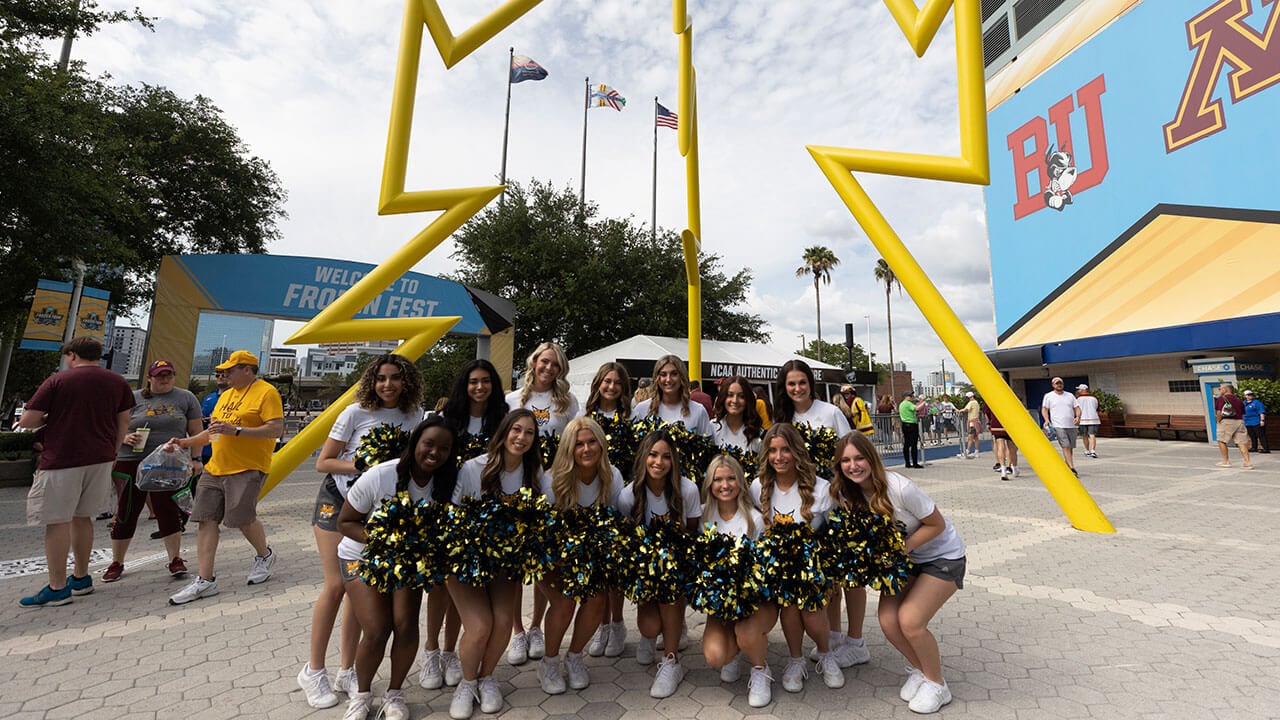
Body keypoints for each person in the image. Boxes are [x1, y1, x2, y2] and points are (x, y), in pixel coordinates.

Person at [298, 355, 425, 709]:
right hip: (337, 501)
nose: (388, 385)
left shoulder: (414, 415)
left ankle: (347, 669)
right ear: (372, 381)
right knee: (336, 585)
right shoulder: (354, 413)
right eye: (381, 378)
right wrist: (364, 463)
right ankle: (313, 670)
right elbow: (324, 461)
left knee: (361, 587)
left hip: (375, 509)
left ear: (406, 381)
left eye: (395, 378)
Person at [830, 432, 966, 714]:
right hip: (906, 562)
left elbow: (936, 524)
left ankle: (938, 684)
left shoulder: (899, 487)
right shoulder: (847, 493)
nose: (853, 465)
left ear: (871, 458)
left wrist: (901, 549)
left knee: (910, 621)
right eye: (845, 460)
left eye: (859, 458)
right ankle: (920, 670)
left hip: (943, 557)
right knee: (889, 621)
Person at [337, 417, 459, 720]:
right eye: (429, 444)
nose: (434, 453)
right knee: (377, 629)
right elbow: (346, 522)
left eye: (444, 449)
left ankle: (394, 694)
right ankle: (362, 695)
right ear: (415, 442)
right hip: (361, 556)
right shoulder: (381, 475)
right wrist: (384, 543)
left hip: (407, 562)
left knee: (405, 624)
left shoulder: (445, 484)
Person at [17, 336, 134, 607]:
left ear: (71, 355)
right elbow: (124, 420)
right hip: (101, 459)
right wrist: (113, 450)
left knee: (57, 521)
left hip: (62, 459)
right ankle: (81, 578)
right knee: (84, 518)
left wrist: (51, 416)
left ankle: (57, 587)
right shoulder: (118, 382)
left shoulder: (58, 381)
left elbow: (27, 420)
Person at [448, 409, 545, 718]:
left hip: (505, 563)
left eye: (529, 433)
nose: (521, 437)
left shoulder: (534, 473)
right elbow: (451, 516)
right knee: (479, 626)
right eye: (516, 430)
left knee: (503, 622)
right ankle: (467, 681)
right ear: (504, 432)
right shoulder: (472, 468)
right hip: (465, 561)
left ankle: (487, 677)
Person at [167, 350, 283, 605]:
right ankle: (205, 580)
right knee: (206, 520)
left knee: (242, 519)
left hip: (247, 468)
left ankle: (264, 555)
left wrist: (238, 430)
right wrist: (185, 442)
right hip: (216, 467)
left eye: (230, 370)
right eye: (223, 371)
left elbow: (276, 428)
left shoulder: (266, 392)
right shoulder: (226, 396)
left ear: (247, 370)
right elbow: (215, 432)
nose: (225, 375)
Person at [750, 424, 846, 693]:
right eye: (772, 451)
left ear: (797, 452)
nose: (779, 457)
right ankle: (795, 660)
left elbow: (834, 531)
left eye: (785, 450)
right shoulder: (757, 486)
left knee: (814, 619)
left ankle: (825, 654)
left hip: (811, 570)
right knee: (790, 614)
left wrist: (830, 574)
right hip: (778, 570)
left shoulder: (822, 488)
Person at [504, 341, 580, 665]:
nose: (548, 369)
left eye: (555, 365)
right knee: (514, 562)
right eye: (544, 362)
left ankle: (537, 626)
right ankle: (516, 631)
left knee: (544, 559)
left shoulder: (568, 402)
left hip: (554, 489)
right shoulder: (511, 400)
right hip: (518, 487)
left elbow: (576, 439)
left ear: (561, 369)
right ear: (534, 363)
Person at [538, 417, 624, 695]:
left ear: (601, 444)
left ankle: (574, 657)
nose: (586, 449)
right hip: (552, 557)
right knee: (564, 603)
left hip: (591, 559)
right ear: (568, 449)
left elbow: (615, 525)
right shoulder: (552, 481)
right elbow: (542, 535)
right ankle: (549, 662)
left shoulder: (613, 476)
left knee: (597, 602)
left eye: (591, 442)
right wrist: (558, 560)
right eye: (579, 444)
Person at [617, 429, 702, 698]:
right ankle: (662, 630)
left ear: (673, 461)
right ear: (643, 457)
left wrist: (671, 561)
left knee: (670, 602)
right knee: (650, 627)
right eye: (653, 455)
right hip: (645, 570)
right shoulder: (628, 495)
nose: (658, 462)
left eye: (666, 457)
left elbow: (691, 531)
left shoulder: (687, 489)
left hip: (676, 566)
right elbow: (628, 536)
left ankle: (671, 660)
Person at [102, 360, 202, 584]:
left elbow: (196, 430)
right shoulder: (132, 398)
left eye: (168, 375)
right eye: (159, 376)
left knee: (168, 510)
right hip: (131, 460)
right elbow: (112, 426)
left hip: (168, 462)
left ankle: (175, 558)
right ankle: (117, 561)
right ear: (150, 378)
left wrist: (196, 459)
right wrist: (126, 438)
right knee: (127, 510)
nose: (164, 379)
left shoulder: (186, 398)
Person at [697, 455, 776, 707]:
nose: (725, 484)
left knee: (747, 631)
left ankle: (760, 668)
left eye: (731, 478)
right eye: (718, 479)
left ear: (741, 482)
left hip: (757, 602)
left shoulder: (755, 519)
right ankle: (737, 649)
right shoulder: (702, 517)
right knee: (715, 656)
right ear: (709, 483)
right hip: (722, 606)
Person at [582, 362, 632, 660]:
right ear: (598, 383)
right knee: (597, 568)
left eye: (616, 383)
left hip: (619, 496)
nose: (611, 387)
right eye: (606, 381)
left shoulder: (630, 417)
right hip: (591, 498)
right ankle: (601, 624)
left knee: (615, 570)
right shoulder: (586, 418)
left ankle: (617, 623)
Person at [631, 355, 714, 438]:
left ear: (682, 377)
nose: (668, 379)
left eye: (674, 374)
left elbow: (708, 446)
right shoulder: (641, 409)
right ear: (657, 378)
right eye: (663, 374)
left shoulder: (698, 410)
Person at [443, 358, 508, 453]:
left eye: (486, 381)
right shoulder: (447, 418)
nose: (480, 387)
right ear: (464, 385)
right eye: (473, 382)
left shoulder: (504, 420)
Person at [772, 360, 851, 436]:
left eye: (802, 383)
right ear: (784, 387)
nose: (798, 389)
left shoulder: (832, 412)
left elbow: (849, 446)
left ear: (810, 383)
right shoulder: (780, 417)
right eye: (791, 384)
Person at [713, 376, 765, 455]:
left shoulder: (757, 432)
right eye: (730, 395)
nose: (735, 400)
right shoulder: (711, 427)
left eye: (741, 396)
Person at [1040, 378, 1081, 476]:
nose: (1059, 385)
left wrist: (1078, 416)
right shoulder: (1049, 396)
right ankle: (1072, 468)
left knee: (1070, 447)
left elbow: (1077, 407)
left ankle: (1067, 466)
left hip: (1071, 425)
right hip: (1058, 425)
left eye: (1060, 383)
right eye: (1057, 383)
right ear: (1053, 385)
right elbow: (1044, 409)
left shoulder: (1070, 396)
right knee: (1065, 445)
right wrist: (1046, 420)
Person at [1215, 384, 1253, 469]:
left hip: (1227, 421)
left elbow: (1219, 412)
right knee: (1242, 442)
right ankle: (1247, 462)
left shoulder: (1222, 399)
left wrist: (1218, 421)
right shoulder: (1238, 400)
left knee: (1221, 440)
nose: (1220, 391)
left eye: (1220, 389)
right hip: (1240, 421)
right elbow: (1242, 412)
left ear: (1225, 390)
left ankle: (1226, 461)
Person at [201, 371, 231, 464]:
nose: (220, 377)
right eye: (217, 375)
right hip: (206, 446)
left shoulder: (235, 397)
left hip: (225, 446)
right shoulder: (209, 397)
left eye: (223, 375)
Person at [981, 402, 1014, 480]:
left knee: (999, 445)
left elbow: (986, 412)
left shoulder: (990, 398)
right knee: (1009, 447)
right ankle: (1009, 466)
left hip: (996, 424)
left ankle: (1002, 468)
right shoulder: (1008, 397)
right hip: (1009, 424)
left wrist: (988, 423)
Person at [898, 391, 924, 469]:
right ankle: (915, 463)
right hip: (911, 425)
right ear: (906, 397)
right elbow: (917, 408)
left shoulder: (901, 404)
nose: (912, 397)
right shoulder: (908, 403)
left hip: (904, 424)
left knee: (906, 444)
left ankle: (907, 463)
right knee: (913, 444)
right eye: (910, 396)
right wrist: (923, 402)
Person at [1075, 385, 1101, 458]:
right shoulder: (1094, 398)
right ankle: (1093, 450)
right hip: (1093, 419)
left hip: (1082, 419)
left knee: (1084, 435)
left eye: (1079, 389)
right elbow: (1097, 407)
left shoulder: (1077, 398)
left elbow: (1075, 408)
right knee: (1092, 435)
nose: (1078, 391)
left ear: (1083, 390)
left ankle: (1087, 450)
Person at [1243, 390, 1269, 454]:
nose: (1249, 396)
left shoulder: (1257, 403)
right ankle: (1254, 447)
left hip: (1256, 421)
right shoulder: (1244, 403)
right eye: (1248, 395)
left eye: (1250, 394)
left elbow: (1261, 412)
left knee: (1261, 435)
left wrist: (1262, 420)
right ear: (1245, 396)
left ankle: (1265, 448)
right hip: (1247, 422)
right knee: (1252, 435)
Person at [961, 392, 981, 458]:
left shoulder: (971, 403)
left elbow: (966, 409)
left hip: (972, 422)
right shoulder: (976, 403)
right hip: (976, 421)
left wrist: (959, 410)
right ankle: (976, 452)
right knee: (976, 437)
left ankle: (967, 451)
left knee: (970, 437)